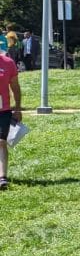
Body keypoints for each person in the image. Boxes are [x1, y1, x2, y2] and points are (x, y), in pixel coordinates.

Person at [0, 43, 21, 190]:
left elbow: (15, 87)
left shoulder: (8, 63)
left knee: (1, 142)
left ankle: (2, 177)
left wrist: (18, 107)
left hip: (3, 110)